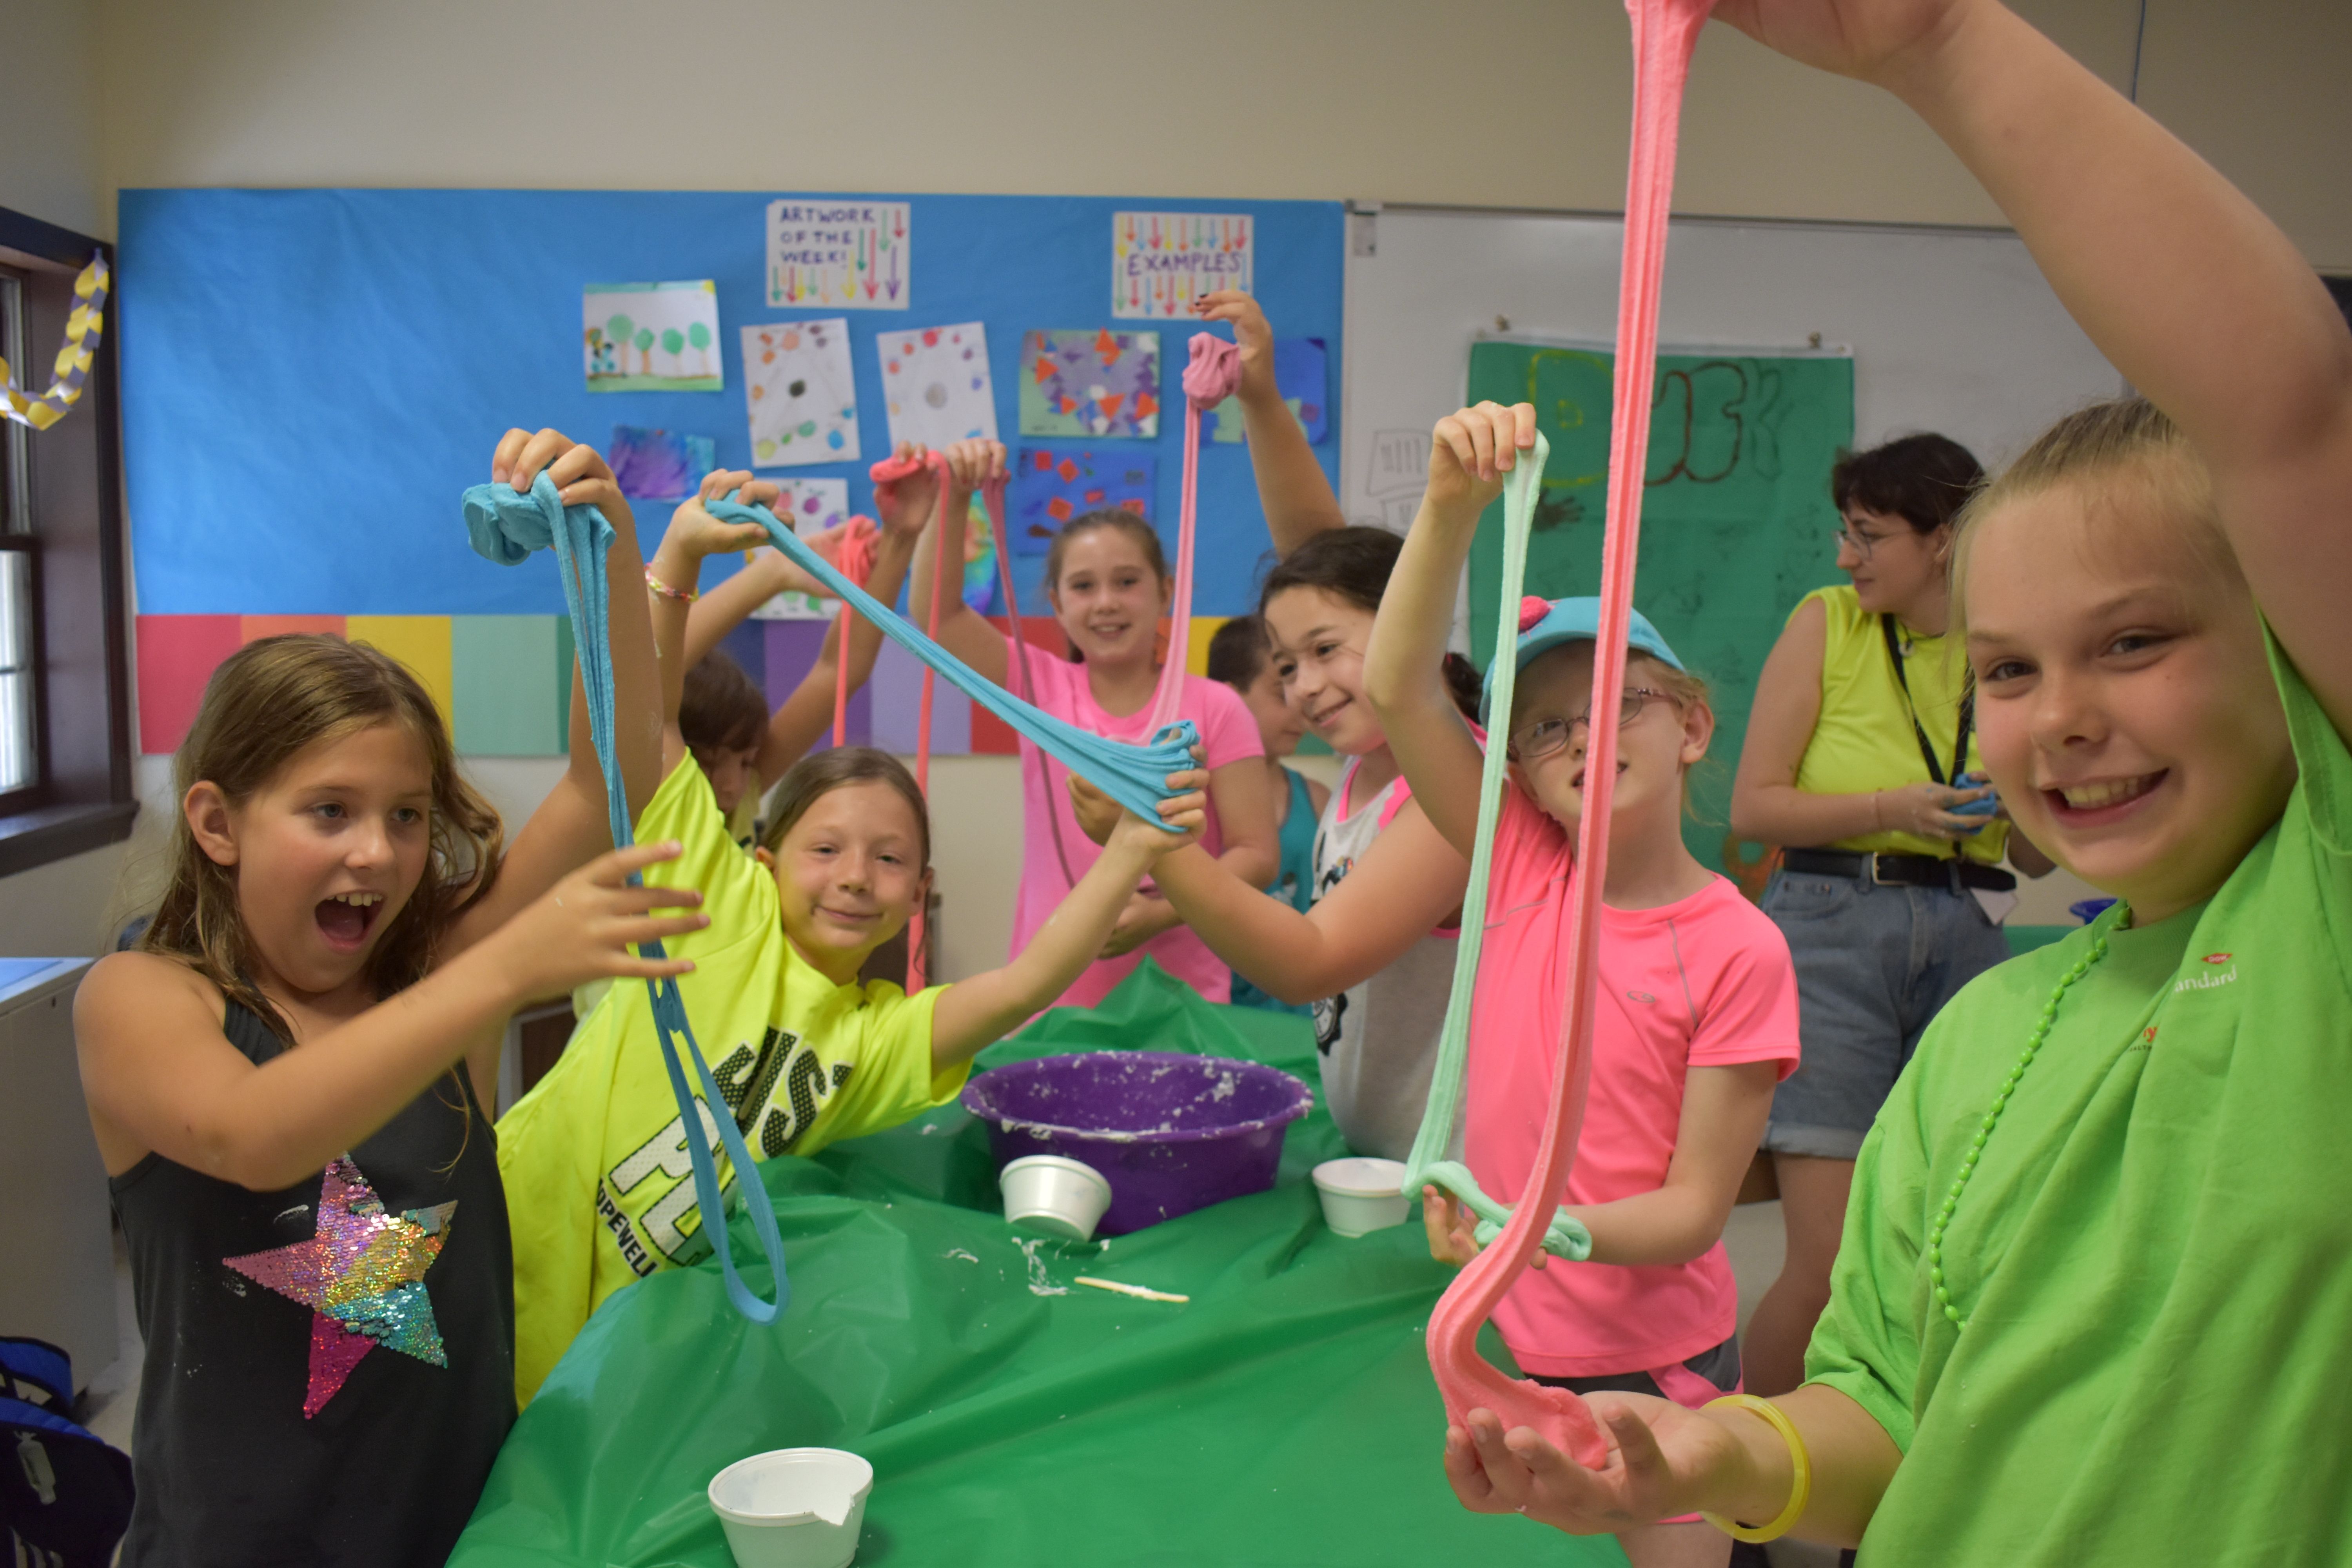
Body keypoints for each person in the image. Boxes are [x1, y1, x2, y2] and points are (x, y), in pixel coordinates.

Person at [1439, 2, 2352, 1561]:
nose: (2063, 717)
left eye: (2134, 641)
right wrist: (1710, 1449)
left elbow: (2289, 410)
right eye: (2008, 670)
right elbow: (1881, 1405)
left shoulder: (2315, 930)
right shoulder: (1985, 1030)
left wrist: (1939, 41)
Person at [74, 430, 704, 1566]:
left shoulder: (434, 978)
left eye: (408, 814)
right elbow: (253, 1134)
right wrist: (499, 972)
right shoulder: (140, 998)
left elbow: (608, 774)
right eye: (330, 811)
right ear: (217, 823)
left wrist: (610, 547)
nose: (378, 851)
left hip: (457, 1536)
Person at [496, 508, 1209, 1398]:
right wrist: (678, 555)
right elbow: (642, 718)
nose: (855, 878)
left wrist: (1133, 850)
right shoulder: (718, 899)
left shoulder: (875, 1040)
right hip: (504, 1230)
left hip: (622, 1334)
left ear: (918, 895)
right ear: (765, 859)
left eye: (890, 859)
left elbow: (1025, 982)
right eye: (826, 849)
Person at [1368, 403, 1802, 1568]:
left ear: (1691, 726)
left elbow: (1693, 1211)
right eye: (1543, 724)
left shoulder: (1738, 947)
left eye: (1612, 701)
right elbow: (1397, 685)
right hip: (1513, 1329)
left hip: (1658, 1358)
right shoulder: (1521, 864)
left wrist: (1529, 1228)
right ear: (1519, 773)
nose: (1575, 733)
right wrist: (1447, 506)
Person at [1729, 434, 2054, 1395]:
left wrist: (2027, 798)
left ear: (1944, 538)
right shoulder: (1826, 623)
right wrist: (1891, 807)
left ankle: (1896, 1453)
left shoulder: (2007, 642)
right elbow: (1752, 808)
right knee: (1829, 1263)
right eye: (1847, 531)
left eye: (1869, 535)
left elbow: (2037, 857)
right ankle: (1741, 1460)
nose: (1847, 555)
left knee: (1949, 1251)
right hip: (1829, 926)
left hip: (1968, 931)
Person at [905, 438, 1275, 1007]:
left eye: (1127, 582)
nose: (1106, 603)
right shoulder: (1037, 686)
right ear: (1057, 604)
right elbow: (938, 618)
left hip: (1184, 1002)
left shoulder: (1218, 707)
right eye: (1083, 586)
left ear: (1166, 592)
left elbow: (1256, 854)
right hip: (1052, 995)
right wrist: (954, 498)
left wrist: (1162, 914)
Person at [656, 452, 935, 848]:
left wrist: (900, 538)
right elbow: (646, 674)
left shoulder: (739, 801)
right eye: (708, 763)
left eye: (746, 761)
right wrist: (773, 573)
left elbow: (839, 671)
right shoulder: (650, 796)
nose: (734, 785)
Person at [1204, 613, 1328, 1013]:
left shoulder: (1319, 801)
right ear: (1227, 698)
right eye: (1280, 691)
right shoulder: (1186, 806)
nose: (1299, 705)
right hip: (1215, 1020)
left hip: (1303, 1023)